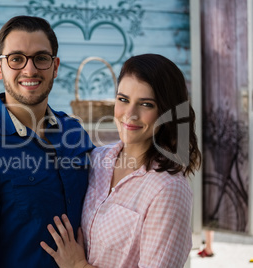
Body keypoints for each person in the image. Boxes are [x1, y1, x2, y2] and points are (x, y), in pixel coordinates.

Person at [0, 16, 94, 267]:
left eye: (41, 58)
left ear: (55, 66)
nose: (30, 69)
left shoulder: (75, 133)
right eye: (16, 59)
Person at [41, 53, 202, 268]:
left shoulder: (167, 188)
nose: (130, 114)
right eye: (123, 99)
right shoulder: (97, 160)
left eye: (146, 104)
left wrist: (78, 265)